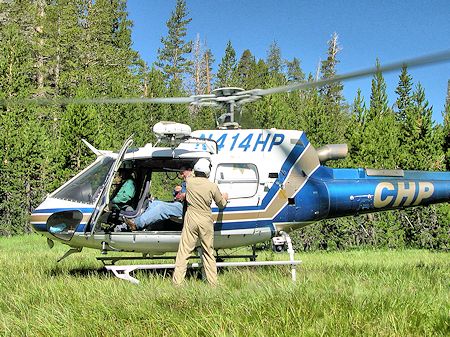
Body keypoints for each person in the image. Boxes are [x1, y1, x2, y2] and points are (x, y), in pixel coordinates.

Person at [172, 158, 228, 286]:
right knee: (208, 252)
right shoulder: (212, 186)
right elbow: (221, 204)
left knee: (184, 252)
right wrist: (225, 197)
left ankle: (177, 283)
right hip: (205, 219)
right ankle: (212, 283)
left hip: (191, 217)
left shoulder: (189, 182)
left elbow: (189, 174)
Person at [125, 167, 192, 231]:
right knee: (154, 203)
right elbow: (179, 194)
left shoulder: (195, 181)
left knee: (162, 208)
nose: (182, 176)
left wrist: (185, 195)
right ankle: (145, 225)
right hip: (180, 204)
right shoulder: (186, 181)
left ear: (189, 170)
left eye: (183, 173)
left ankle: (136, 224)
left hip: (187, 207)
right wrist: (177, 191)